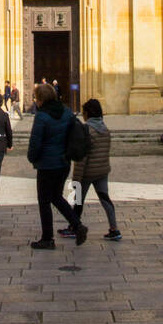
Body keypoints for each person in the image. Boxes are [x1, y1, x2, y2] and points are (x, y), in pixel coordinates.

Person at [26, 83, 86, 250]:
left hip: (47, 165)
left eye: (36, 98)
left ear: (40, 99)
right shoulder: (67, 112)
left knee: (44, 201)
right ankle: (78, 225)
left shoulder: (42, 116)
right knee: (56, 197)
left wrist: (32, 158)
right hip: (63, 163)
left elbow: (35, 142)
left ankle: (47, 238)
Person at [63, 99, 120, 242]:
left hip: (88, 173)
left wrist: (76, 178)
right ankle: (114, 229)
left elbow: (82, 157)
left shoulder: (86, 129)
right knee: (105, 199)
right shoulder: (105, 129)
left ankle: (74, 228)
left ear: (88, 113)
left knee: (78, 200)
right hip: (102, 171)